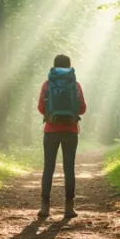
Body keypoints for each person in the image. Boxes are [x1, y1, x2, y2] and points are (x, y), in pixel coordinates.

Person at [37, 54, 87, 219]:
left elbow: (41, 107)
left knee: (48, 168)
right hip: (71, 131)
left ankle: (45, 207)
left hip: (51, 130)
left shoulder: (47, 84)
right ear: (69, 66)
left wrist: (52, 114)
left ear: (55, 66)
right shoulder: (75, 85)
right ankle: (69, 208)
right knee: (69, 169)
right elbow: (82, 109)